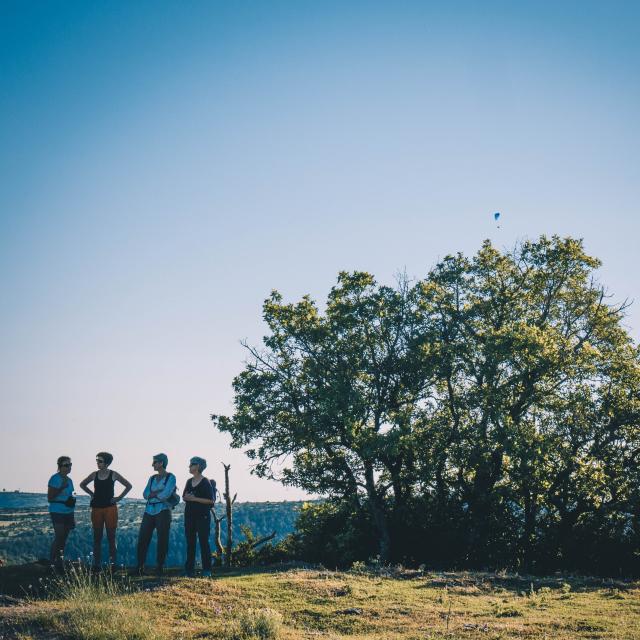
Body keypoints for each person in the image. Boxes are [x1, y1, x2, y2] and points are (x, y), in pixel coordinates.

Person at [79, 452, 132, 570]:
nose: (97, 463)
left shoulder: (113, 474)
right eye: (97, 460)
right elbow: (82, 484)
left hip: (110, 508)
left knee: (111, 537)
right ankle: (96, 565)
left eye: (100, 461)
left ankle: (113, 564)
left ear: (107, 463)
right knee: (97, 537)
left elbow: (128, 485)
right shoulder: (94, 474)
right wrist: (91, 494)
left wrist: (119, 498)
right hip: (97, 508)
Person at [135, 453, 176, 575]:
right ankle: (140, 566)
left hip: (163, 511)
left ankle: (159, 566)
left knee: (162, 539)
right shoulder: (152, 478)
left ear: (161, 463)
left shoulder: (171, 477)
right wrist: (157, 492)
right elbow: (145, 494)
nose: (152, 464)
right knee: (143, 538)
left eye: (154, 462)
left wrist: (153, 493)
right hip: (149, 510)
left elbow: (166, 494)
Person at [182, 456, 214, 577]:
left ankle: (207, 570)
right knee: (190, 543)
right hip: (189, 516)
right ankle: (189, 570)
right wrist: (188, 497)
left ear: (198, 466)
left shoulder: (206, 482)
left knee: (203, 542)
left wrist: (194, 498)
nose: (189, 466)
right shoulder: (189, 481)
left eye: (191, 464)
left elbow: (211, 501)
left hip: (202, 517)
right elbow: (184, 496)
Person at [47, 456, 76, 569]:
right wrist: (61, 487)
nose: (68, 467)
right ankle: (51, 562)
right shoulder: (54, 478)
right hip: (57, 511)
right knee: (59, 537)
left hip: (68, 512)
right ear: (59, 466)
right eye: (66, 465)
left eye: (70, 465)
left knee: (64, 538)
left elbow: (73, 495)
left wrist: (73, 515)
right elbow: (50, 497)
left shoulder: (70, 480)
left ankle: (60, 563)